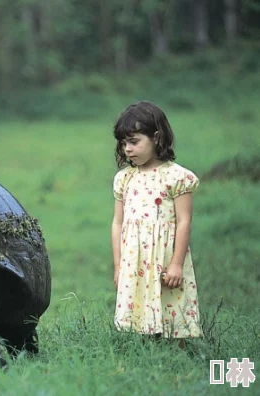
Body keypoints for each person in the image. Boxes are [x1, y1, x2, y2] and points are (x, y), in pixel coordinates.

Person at [111, 101, 202, 345]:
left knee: (171, 305)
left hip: (164, 256)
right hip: (135, 257)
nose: (127, 149)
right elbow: (117, 223)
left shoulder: (176, 177)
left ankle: (178, 355)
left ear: (157, 137)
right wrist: (119, 265)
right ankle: (148, 352)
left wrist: (176, 264)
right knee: (139, 307)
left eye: (134, 141)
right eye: (123, 143)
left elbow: (184, 222)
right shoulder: (125, 179)